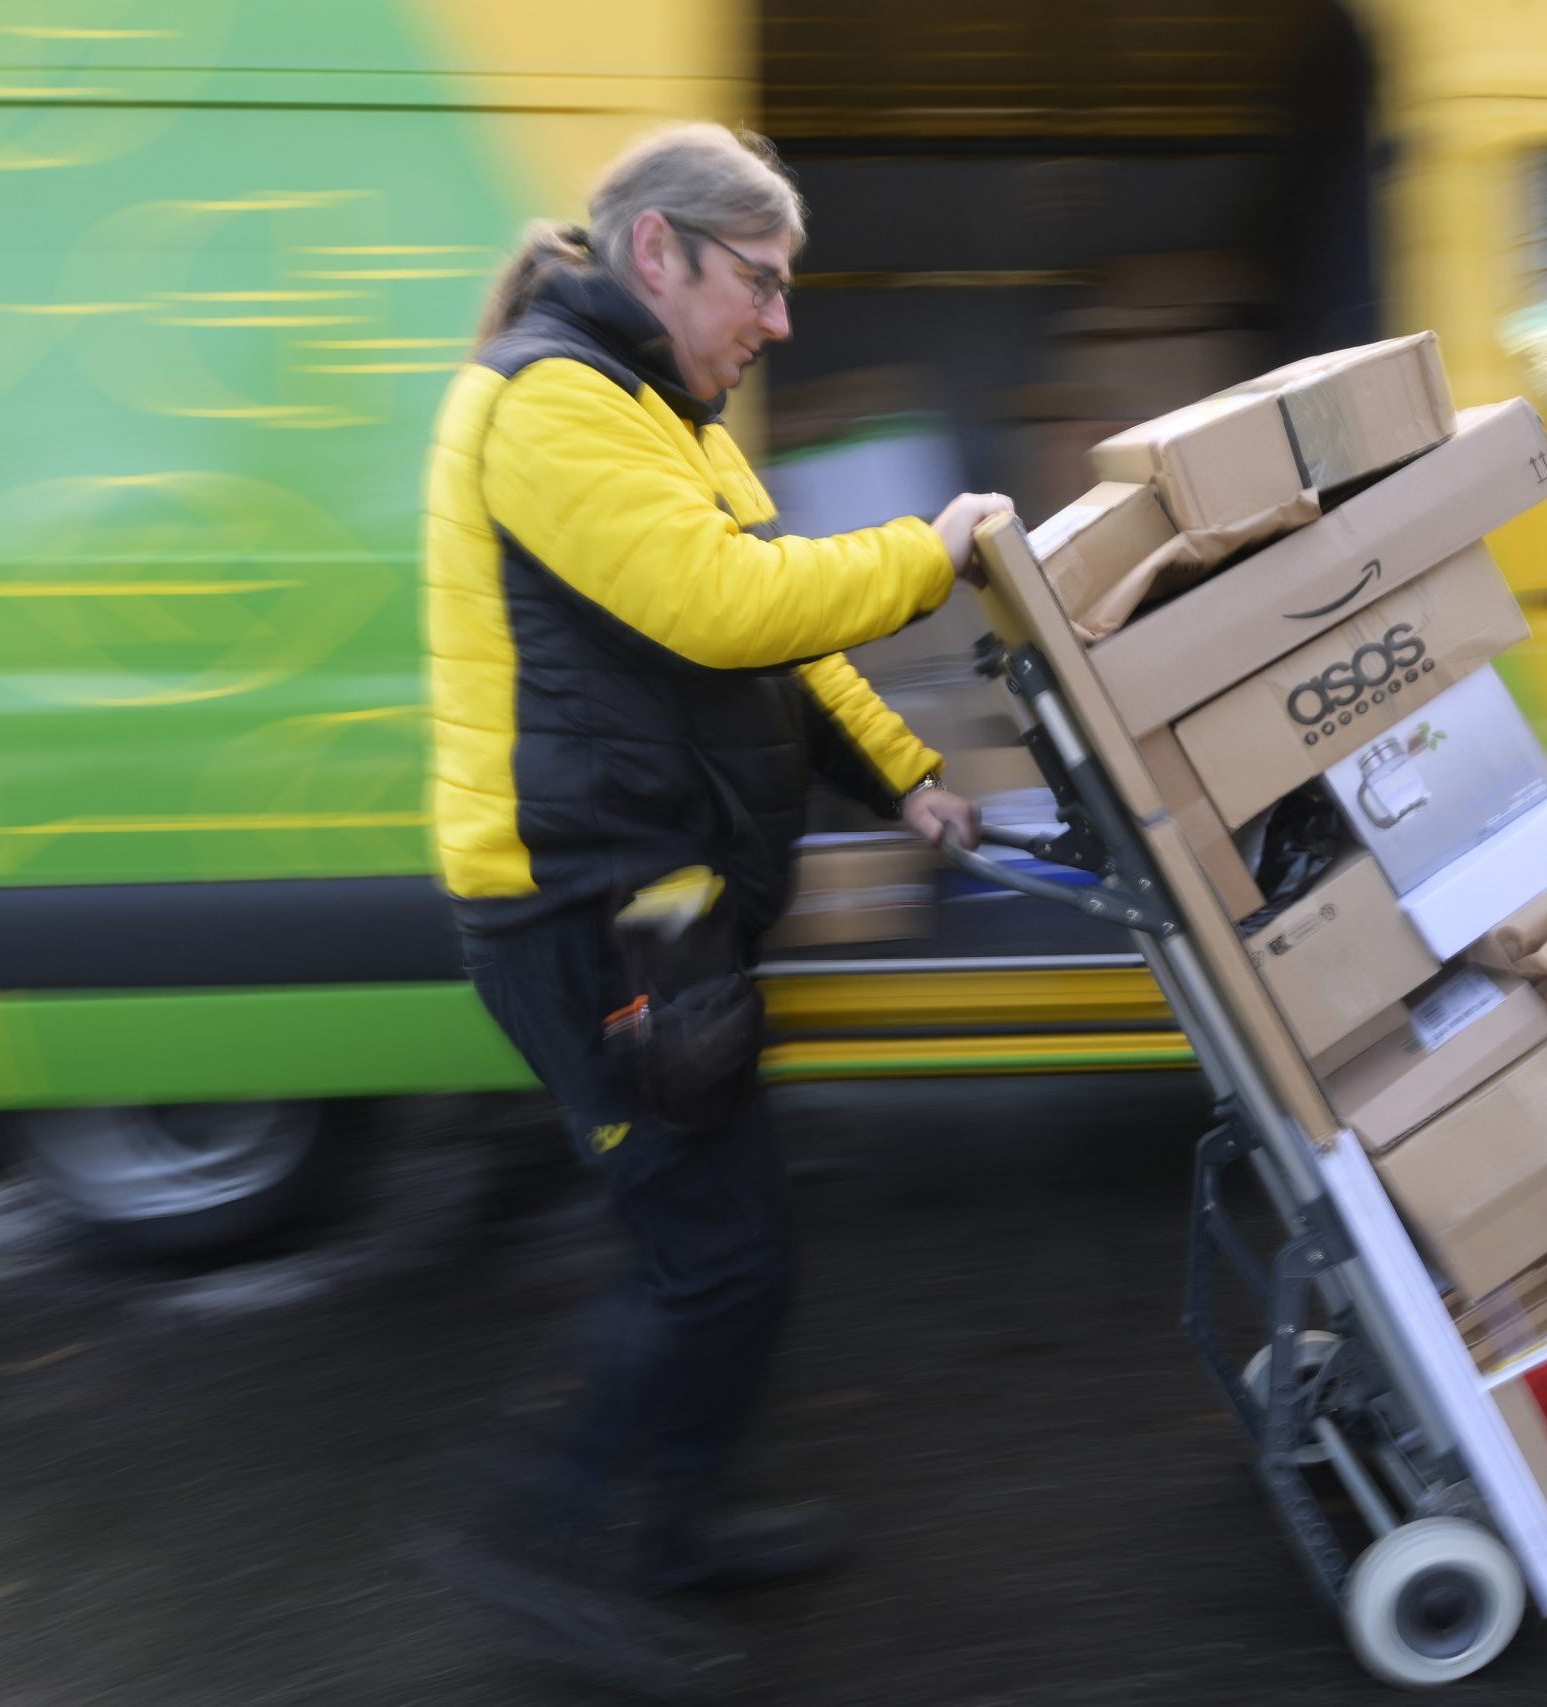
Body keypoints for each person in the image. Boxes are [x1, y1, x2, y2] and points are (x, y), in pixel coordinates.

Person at [419, 120, 1011, 1677]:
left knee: (735, 1245)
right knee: (711, 1256)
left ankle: (679, 1525)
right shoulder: (547, 405)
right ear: (659, 252)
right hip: (579, 913)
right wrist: (927, 556)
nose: (782, 319)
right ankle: (537, 1549)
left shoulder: (666, 413)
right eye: (764, 281)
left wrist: (904, 778)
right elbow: (718, 602)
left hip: (663, 903)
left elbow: (782, 647)